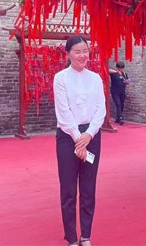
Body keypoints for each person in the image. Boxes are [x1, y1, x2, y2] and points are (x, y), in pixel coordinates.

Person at [53, 36, 106, 246]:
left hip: (91, 135)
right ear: (68, 54)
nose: (82, 55)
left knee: (88, 187)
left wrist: (88, 135)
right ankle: (71, 238)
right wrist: (78, 139)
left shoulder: (95, 78)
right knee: (68, 189)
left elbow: (101, 110)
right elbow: (63, 111)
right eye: (77, 51)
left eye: (85, 51)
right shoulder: (61, 78)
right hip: (68, 137)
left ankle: (86, 235)